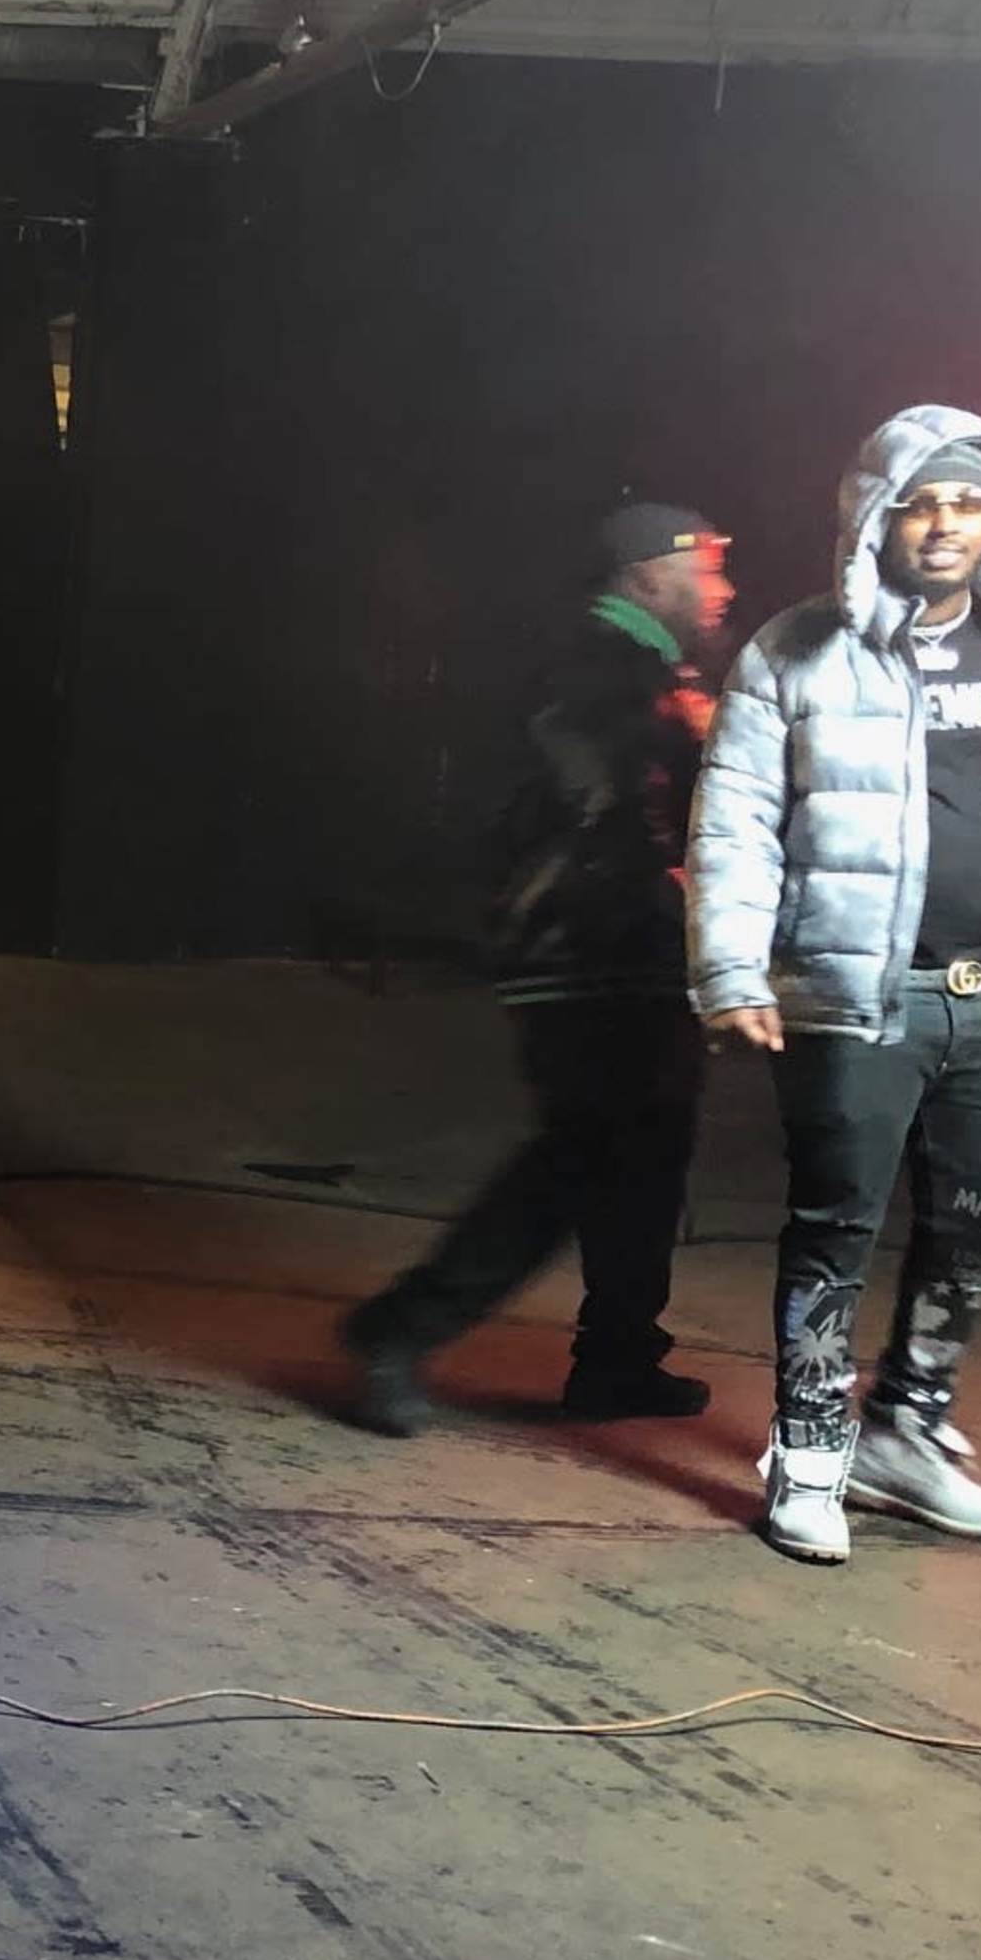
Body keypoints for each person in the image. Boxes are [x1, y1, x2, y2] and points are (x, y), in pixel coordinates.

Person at [689, 406, 981, 1565]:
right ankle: (807, 1460)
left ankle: (908, 1435)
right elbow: (737, 817)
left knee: (974, 1237)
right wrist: (731, 967)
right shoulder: (795, 647)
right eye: (921, 503)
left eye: (968, 502)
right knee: (834, 1230)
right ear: (877, 516)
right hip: (861, 997)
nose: (944, 524)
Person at [339, 501, 735, 1435]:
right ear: (646, 577)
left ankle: (618, 1360)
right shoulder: (600, 663)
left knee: (651, 1150)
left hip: (630, 941)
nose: (723, 589)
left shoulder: (647, 668)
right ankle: (397, 1329)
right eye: (706, 570)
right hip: (585, 945)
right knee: (585, 1151)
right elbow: (595, 793)